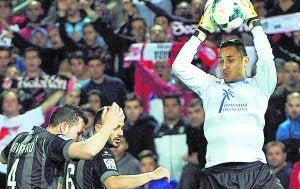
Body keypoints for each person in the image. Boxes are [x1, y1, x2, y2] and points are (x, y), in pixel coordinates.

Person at [172, 0, 283, 188]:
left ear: (245, 60)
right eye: (221, 60)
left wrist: (254, 23)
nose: (224, 65)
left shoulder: (260, 86)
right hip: (216, 174)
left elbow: (266, 57)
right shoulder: (210, 86)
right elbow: (179, 67)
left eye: (230, 60)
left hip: (256, 172)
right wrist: (202, 31)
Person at [0, 103, 124, 188]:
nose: (80, 139)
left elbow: (3, 159)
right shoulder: (52, 142)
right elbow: (89, 150)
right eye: (78, 133)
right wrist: (109, 124)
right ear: (63, 127)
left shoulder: (20, 137)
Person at [62, 106, 170, 189]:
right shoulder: (102, 152)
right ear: (98, 128)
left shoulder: (75, 149)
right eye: (114, 127)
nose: (120, 133)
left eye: (122, 127)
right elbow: (114, 184)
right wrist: (153, 175)